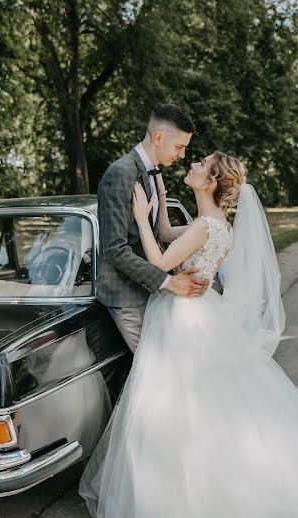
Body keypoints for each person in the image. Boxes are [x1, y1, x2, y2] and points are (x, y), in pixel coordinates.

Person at [79, 151, 298, 518]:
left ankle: (186, 502)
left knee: (180, 403)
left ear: (210, 182)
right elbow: (174, 233)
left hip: (184, 319)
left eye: (200, 165)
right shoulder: (216, 226)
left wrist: (138, 217)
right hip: (202, 312)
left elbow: (159, 262)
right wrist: (156, 213)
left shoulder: (205, 227)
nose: (191, 165)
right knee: (202, 405)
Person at [96, 104, 210, 353]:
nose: (182, 156)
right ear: (158, 137)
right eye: (179, 147)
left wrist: (208, 231)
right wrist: (168, 282)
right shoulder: (121, 173)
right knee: (155, 370)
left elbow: (160, 234)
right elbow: (115, 249)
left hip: (149, 291)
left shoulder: (153, 173)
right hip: (126, 296)